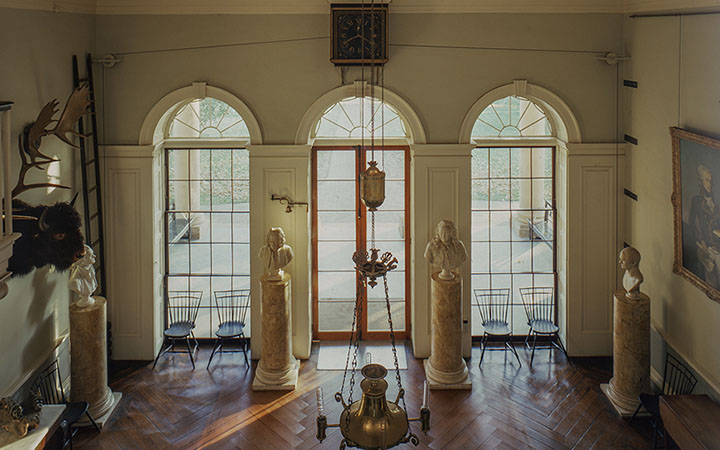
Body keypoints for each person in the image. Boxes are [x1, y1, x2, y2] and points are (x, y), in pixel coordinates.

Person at [688, 165, 720, 289]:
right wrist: (702, 242)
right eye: (707, 180)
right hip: (704, 245)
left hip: (716, 245)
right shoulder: (696, 201)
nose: (710, 184)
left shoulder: (717, 204)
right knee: (711, 270)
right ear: (701, 182)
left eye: (711, 180)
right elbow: (692, 224)